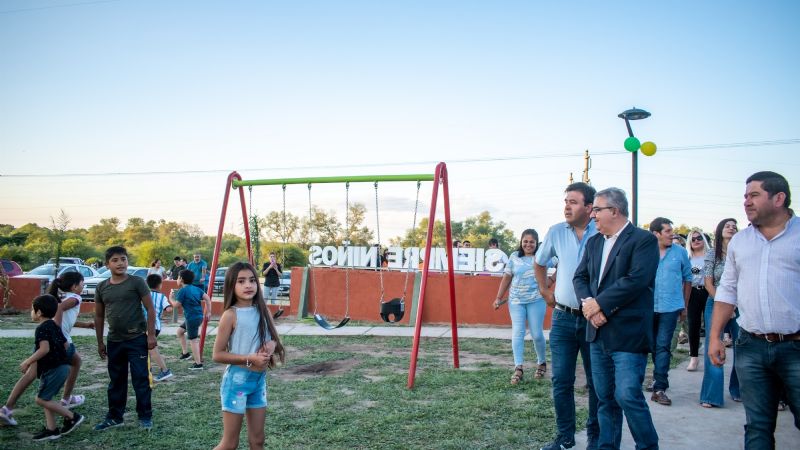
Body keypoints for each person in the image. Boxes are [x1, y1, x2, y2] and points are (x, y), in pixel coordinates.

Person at [708, 171, 800, 448]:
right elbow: (727, 291)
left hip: (796, 347)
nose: (746, 201)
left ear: (779, 198)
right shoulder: (741, 241)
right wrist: (715, 336)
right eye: (745, 196)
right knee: (757, 427)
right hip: (751, 346)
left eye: (754, 195)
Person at [574, 187, 659, 450]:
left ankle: (647, 446)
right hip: (597, 334)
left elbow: (636, 280)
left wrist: (600, 305)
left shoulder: (642, 240)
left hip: (628, 334)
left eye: (597, 209)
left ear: (615, 210)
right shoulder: (594, 242)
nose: (592, 214)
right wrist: (590, 305)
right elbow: (580, 278)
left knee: (627, 395)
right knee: (605, 398)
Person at [535, 182, 600, 450]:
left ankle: (595, 436)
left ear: (589, 207)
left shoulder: (603, 230)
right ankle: (565, 437)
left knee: (597, 382)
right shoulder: (555, 232)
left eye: (573, 202)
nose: (567, 207)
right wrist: (544, 291)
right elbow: (539, 262)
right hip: (562, 318)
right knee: (561, 380)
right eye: (565, 201)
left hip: (594, 320)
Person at [0, 272, 93, 427]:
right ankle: (65, 400)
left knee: (32, 374)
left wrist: (85, 325)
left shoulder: (62, 297)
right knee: (73, 363)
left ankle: (7, 409)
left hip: (52, 342)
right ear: (75, 286)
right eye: (82, 284)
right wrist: (55, 330)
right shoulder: (75, 298)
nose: (83, 287)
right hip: (60, 344)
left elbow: (66, 320)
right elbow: (60, 310)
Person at [212, 262, 285, 450]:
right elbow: (217, 354)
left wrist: (271, 345)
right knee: (230, 444)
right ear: (231, 285)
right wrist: (249, 359)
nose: (248, 285)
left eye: (252, 280)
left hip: (258, 382)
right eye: (241, 281)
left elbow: (275, 340)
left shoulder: (263, 310)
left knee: (258, 440)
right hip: (236, 383)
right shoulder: (230, 315)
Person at [93, 246, 157, 431]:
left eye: (123, 259)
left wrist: (151, 335)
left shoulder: (137, 282)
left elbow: (150, 309)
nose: (120, 263)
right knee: (116, 381)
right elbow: (98, 316)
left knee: (141, 379)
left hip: (137, 339)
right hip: (114, 341)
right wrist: (100, 342)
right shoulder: (102, 287)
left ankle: (145, 416)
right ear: (107, 265)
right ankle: (115, 416)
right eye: (115, 260)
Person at [23, 294, 85, 441]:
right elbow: (66, 345)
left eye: (32, 309)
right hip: (62, 367)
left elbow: (43, 349)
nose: (31, 312)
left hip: (53, 370)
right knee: (47, 397)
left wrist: (27, 362)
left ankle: (72, 417)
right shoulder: (54, 326)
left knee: (40, 399)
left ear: (39, 312)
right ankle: (52, 430)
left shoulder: (42, 329)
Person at [492, 229, 547, 384]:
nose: (528, 244)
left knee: (536, 334)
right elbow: (507, 277)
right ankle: (518, 367)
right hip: (515, 301)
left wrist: (551, 281)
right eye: (525, 241)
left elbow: (560, 262)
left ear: (536, 243)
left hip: (536, 300)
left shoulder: (541, 257)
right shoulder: (514, 257)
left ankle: (541, 362)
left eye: (532, 242)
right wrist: (498, 297)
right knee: (518, 332)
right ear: (521, 242)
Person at [647, 217, 691, 406]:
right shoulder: (645, 252)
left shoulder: (680, 253)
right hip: (647, 307)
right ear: (656, 233)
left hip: (670, 307)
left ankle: (660, 388)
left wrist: (685, 306)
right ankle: (654, 379)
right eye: (667, 231)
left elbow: (688, 279)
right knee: (648, 346)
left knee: (663, 346)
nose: (672, 235)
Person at [699, 218, 740, 408]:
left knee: (743, 348)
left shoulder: (741, 252)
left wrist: (735, 305)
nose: (731, 228)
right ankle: (711, 396)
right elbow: (708, 283)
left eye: (734, 226)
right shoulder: (711, 254)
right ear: (719, 231)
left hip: (741, 306)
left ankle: (739, 390)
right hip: (715, 303)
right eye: (727, 225)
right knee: (714, 346)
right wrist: (724, 304)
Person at [171, 269, 212, 370]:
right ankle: (185, 354)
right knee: (180, 332)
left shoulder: (182, 291)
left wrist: (170, 298)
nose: (177, 279)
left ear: (181, 279)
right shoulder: (196, 289)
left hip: (191, 318)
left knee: (193, 340)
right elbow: (207, 298)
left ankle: (198, 364)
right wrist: (209, 312)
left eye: (178, 277)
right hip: (198, 316)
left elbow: (176, 305)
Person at [685, 228, 711, 371]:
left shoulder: (710, 255)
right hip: (693, 292)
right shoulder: (687, 256)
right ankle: (694, 357)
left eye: (699, 238)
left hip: (708, 291)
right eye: (693, 239)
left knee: (711, 324)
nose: (696, 241)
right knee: (693, 325)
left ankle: (711, 355)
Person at [145, 274, 173, 382]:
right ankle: (148, 368)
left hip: (147, 326)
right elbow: (169, 309)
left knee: (151, 349)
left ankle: (165, 370)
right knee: (147, 349)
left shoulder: (144, 295)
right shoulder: (162, 297)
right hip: (156, 326)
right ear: (160, 285)